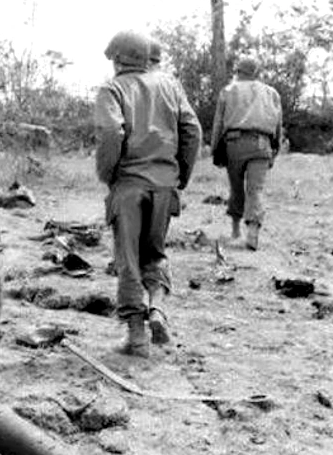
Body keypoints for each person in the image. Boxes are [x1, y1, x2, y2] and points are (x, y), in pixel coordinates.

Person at [94, 30, 202, 358]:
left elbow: (111, 131)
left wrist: (108, 174)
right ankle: (157, 309)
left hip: (129, 184)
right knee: (155, 253)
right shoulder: (171, 85)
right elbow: (192, 131)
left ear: (117, 59)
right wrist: (179, 175)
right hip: (164, 184)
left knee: (127, 259)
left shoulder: (111, 89)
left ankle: (137, 338)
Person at [210, 57, 282, 250]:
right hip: (262, 143)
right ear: (256, 72)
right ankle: (253, 232)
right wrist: (275, 151)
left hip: (235, 142)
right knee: (255, 189)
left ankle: (235, 231)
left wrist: (215, 148)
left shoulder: (228, 91)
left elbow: (218, 123)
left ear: (238, 71)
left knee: (236, 187)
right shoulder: (271, 93)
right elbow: (278, 126)